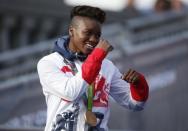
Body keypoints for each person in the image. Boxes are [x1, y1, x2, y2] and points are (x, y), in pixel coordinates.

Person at [37, 5, 149, 131]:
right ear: (71, 31)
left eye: (97, 35)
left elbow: (134, 104)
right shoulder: (49, 63)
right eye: (87, 33)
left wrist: (139, 84)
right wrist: (96, 57)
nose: (93, 40)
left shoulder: (106, 66)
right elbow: (70, 93)